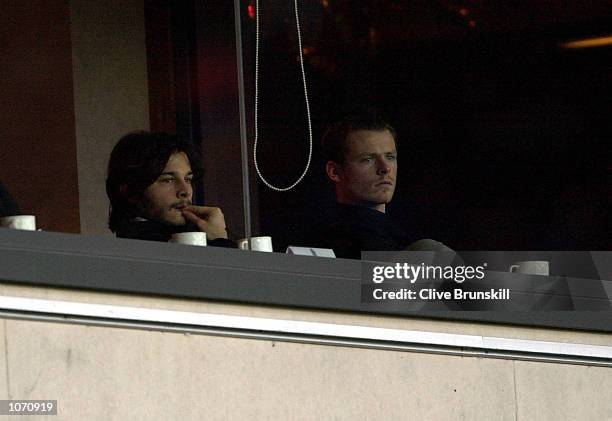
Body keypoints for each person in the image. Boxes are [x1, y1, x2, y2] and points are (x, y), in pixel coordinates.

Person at [315, 107, 414, 259]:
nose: (385, 168)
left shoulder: (399, 238)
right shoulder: (334, 244)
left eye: (390, 157)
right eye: (367, 159)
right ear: (334, 172)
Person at [106, 131, 233, 246]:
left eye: (188, 179)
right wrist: (220, 241)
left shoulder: (190, 235)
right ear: (131, 192)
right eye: (168, 180)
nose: (185, 191)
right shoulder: (148, 248)